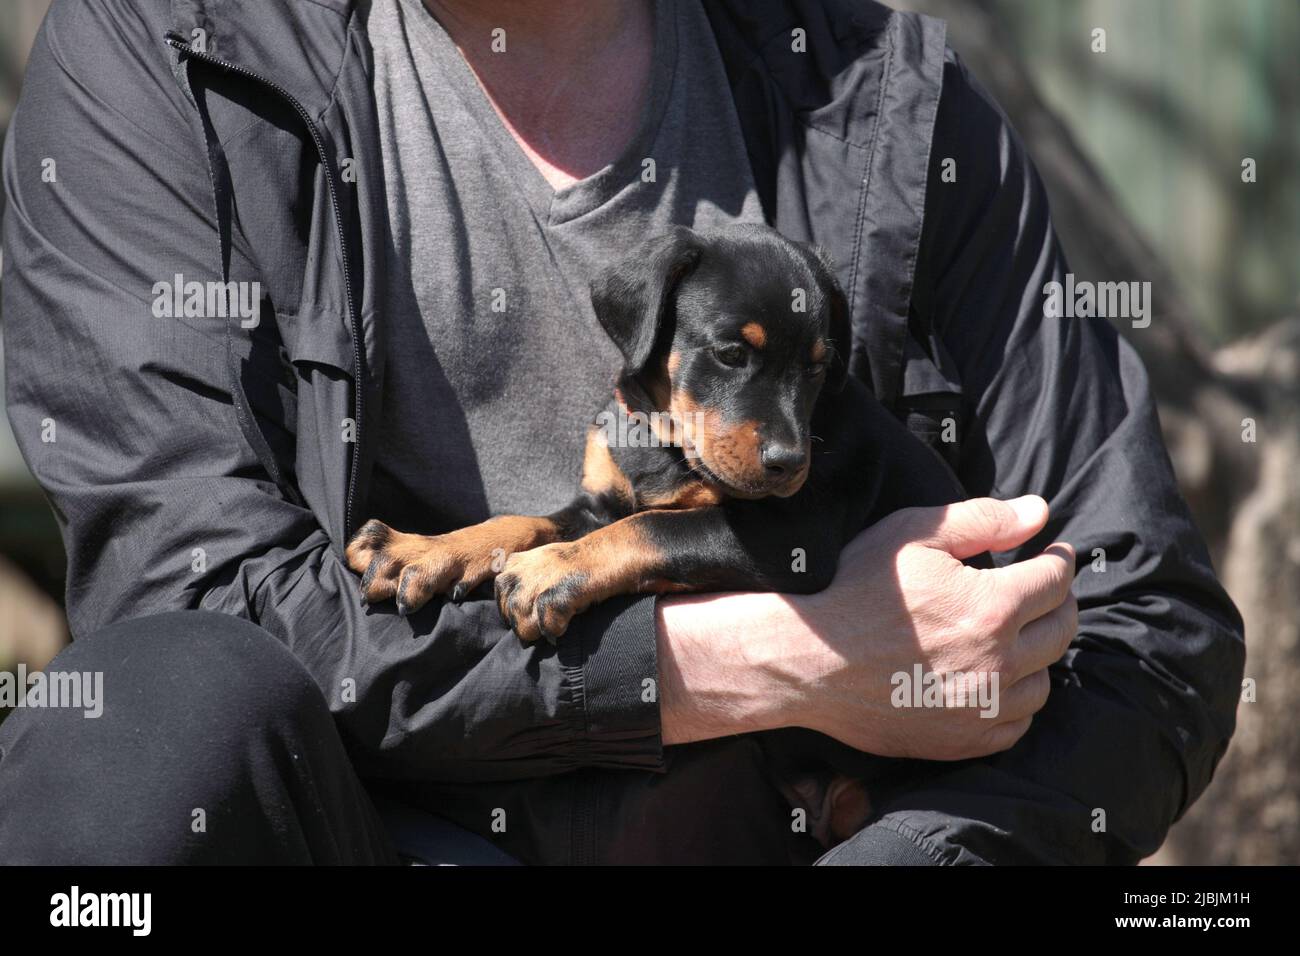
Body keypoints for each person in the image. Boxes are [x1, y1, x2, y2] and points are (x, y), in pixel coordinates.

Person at [0, 0, 1243, 865]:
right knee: (136, 724)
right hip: (369, 832)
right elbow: (197, 587)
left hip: (815, 835)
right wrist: (772, 657)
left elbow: (1149, 631)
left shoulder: (884, 97)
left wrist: (910, 850)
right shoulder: (170, 52)